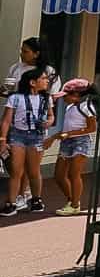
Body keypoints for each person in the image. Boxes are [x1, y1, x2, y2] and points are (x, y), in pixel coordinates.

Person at [2, 66, 52, 214]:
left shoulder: (45, 98)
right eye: (43, 78)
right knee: (16, 170)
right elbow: (6, 120)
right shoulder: (15, 98)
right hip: (17, 135)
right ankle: (11, 203)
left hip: (36, 136)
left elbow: (51, 116)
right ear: (32, 82)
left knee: (34, 171)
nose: (46, 81)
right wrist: (2, 140)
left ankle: (36, 199)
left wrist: (49, 121)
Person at [44, 78, 95, 215]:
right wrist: (53, 138)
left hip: (81, 141)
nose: (64, 99)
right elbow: (66, 128)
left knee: (74, 173)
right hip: (67, 142)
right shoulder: (69, 107)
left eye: (66, 96)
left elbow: (92, 128)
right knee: (59, 175)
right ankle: (72, 199)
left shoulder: (86, 107)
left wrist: (69, 134)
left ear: (76, 95)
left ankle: (74, 205)